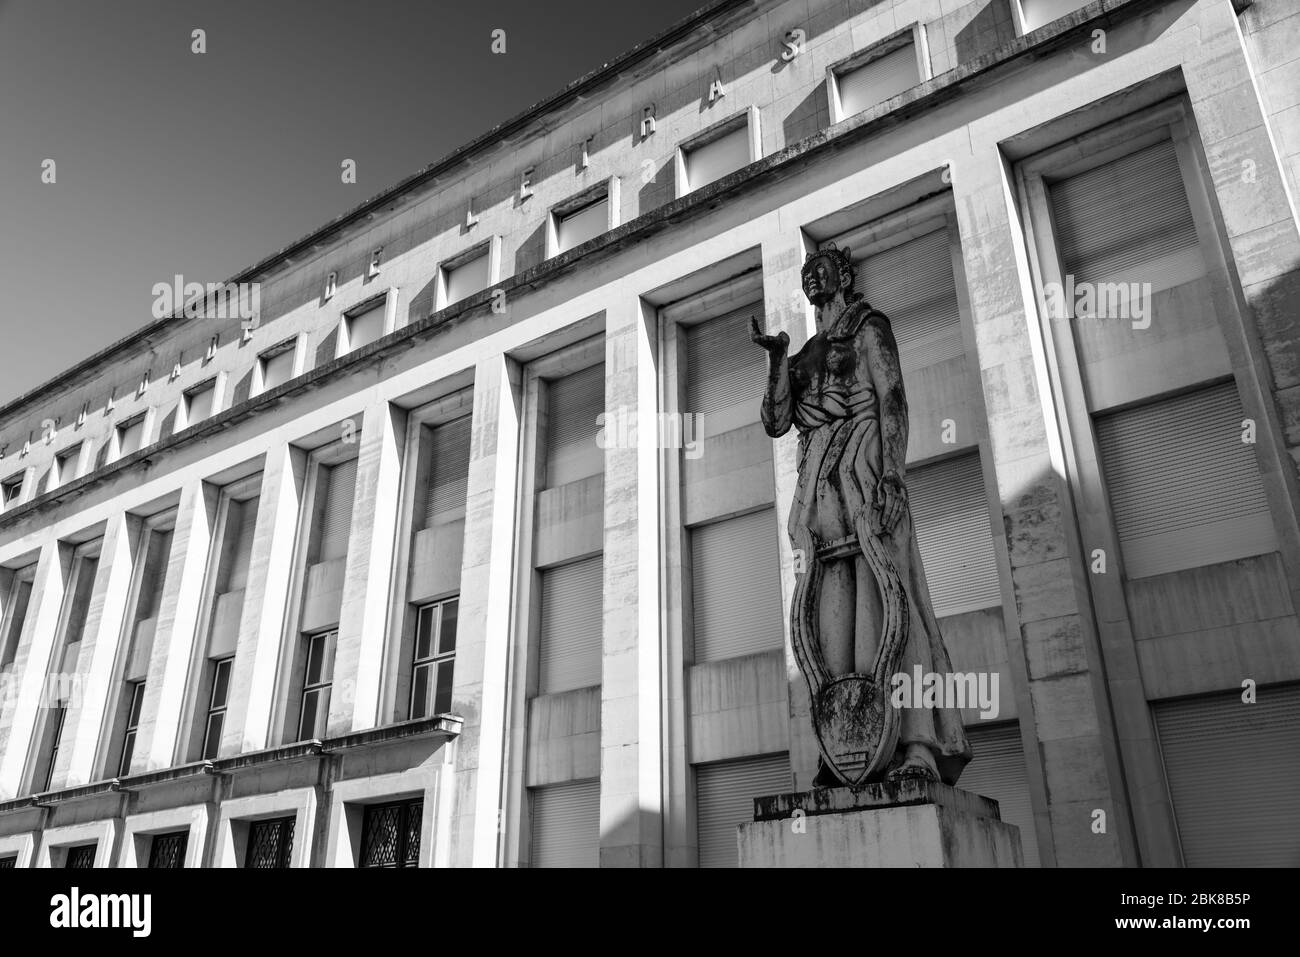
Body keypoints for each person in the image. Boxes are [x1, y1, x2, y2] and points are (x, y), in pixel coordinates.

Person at [751, 243, 971, 786]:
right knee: (832, 616)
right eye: (805, 271)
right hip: (819, 483)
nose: (811, 276)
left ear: (843, 274)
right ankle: (846, 746)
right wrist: (778, 358)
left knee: (893, 602)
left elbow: (893, 398)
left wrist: (893, 470)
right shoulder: (804, 354)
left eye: (820, 267)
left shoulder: (870, 326)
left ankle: (916, 743)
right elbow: (777, 422)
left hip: (867, 467)